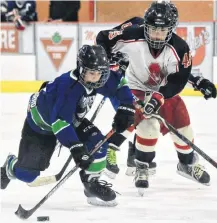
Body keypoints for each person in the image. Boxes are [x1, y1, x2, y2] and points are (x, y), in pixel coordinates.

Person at [96, 1, 214, 194]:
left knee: (182, 122)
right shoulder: (131, 34)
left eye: (162, 30)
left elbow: (178, 80)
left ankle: (187, 164)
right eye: (152, 30)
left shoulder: (180, 48)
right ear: (145, 26)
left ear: (171, 29)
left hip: (164, 90)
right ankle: (141, 165)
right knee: (148, 126)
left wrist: (162, 95)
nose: (156, 35)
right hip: (136, 89)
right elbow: (103, 38)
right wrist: (108, 57)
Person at [0, 45, 135, 207]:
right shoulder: (69, 88)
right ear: (81, 69)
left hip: (70, 120)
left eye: (100, 73)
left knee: (99, 145)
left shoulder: (97, 76)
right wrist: (76, 147)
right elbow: (60, 122)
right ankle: (10, 165)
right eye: (92, 73)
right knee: (27, 175)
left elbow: (119, 82)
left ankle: (91, 184)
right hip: (42, 124)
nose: (96, 78)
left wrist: (126, 107)